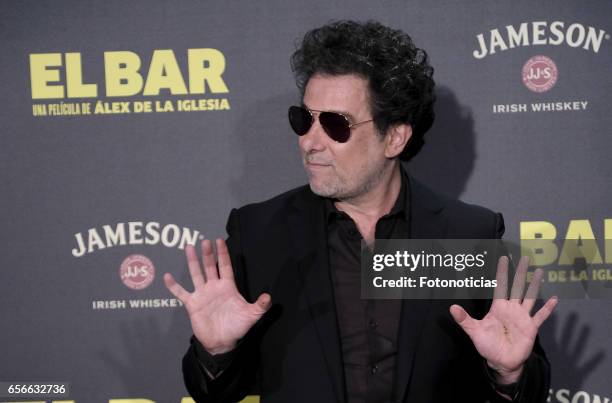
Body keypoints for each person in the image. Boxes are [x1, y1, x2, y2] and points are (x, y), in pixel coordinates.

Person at [164, 20, 557, 403]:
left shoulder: (469, 232)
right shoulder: (260, 232)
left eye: (336, 125)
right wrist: (216, 353)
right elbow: (215, 393)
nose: (309, 142)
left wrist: (509, 373)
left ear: (395, 137)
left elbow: (527, 386)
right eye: (304, 119)